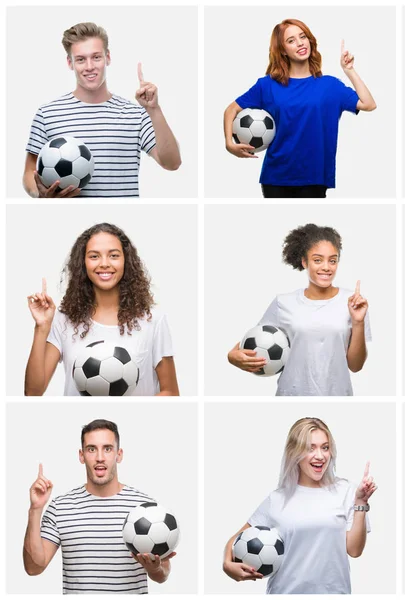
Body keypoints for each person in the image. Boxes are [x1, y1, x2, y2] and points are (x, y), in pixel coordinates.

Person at [23, 22, 181, 199]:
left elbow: (172, 163)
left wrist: (154, 109)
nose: (89, 66)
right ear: (70, 63)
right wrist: (41, 194)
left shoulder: (135, 114)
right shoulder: (47, 113)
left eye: (96, 57)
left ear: (108, 57)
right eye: (81, 59)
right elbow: (30, 172)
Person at [224, 18, 376, 198]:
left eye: (302, 37)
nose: (300, 43)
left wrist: (349, 70)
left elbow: (368, 104)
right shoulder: (267, 85)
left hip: (315, 177)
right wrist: (229, 143)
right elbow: (231, 110)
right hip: (276, 178)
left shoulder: (330, 86)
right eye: (291, 40)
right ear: (283, 51)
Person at [222, 417, 376, 593]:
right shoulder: (278, 499)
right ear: (295, 453)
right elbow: (235, 540)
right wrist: (227, 565)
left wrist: (361, 503)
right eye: (310, 448)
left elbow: (354, 550)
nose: (320, 456)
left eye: (325, 447)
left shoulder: (346, 491)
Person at [25, 223, 179, 396]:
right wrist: (42, 327)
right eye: (94, 256)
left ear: (126, 261)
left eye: (113, 255)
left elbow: (171, 392)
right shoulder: (64, 319)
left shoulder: (153, 320)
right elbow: (33, 392)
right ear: (83, 263)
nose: (104, 264)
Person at [23, 419, 176, 593]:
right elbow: (34, 568)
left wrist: (154, 568)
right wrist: (35, 510)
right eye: (91, 449)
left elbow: (162, 575)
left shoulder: (144, 508)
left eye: (108, 449)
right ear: (81, 456)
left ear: (119, 454)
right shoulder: (61, 507)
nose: (100, 458)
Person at [227, 224, 370, 395]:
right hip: (292, 395)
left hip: (337, 396)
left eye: (333, 260)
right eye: (317, 260)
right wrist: (232, 355)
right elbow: (258, 337)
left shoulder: (353, 303)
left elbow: (355, 366)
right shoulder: (284, 303)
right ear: (304, 262)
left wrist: (358, 321)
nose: (326, 267)